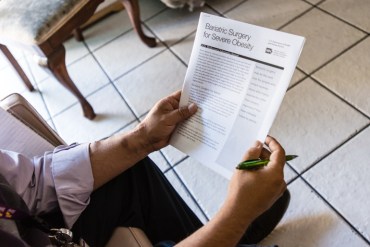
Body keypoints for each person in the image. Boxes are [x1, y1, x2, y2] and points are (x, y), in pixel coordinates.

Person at [0, 91, 289, 247]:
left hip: (36, 232)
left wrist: (139, 140)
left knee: (124, 172)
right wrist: (237, 215)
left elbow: (34, 184)